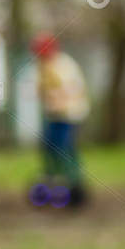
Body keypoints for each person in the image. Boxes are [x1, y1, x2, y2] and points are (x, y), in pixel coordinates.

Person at [31, 33, 89, 208]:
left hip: (69, 115)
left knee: (64, 149)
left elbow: (71, 89)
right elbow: (41, 89)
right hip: (54, 114)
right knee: (48, 147)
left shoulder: (63, 66)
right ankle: (50, 179)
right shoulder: (43, 66)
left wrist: (57, 97)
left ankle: (72, 183)